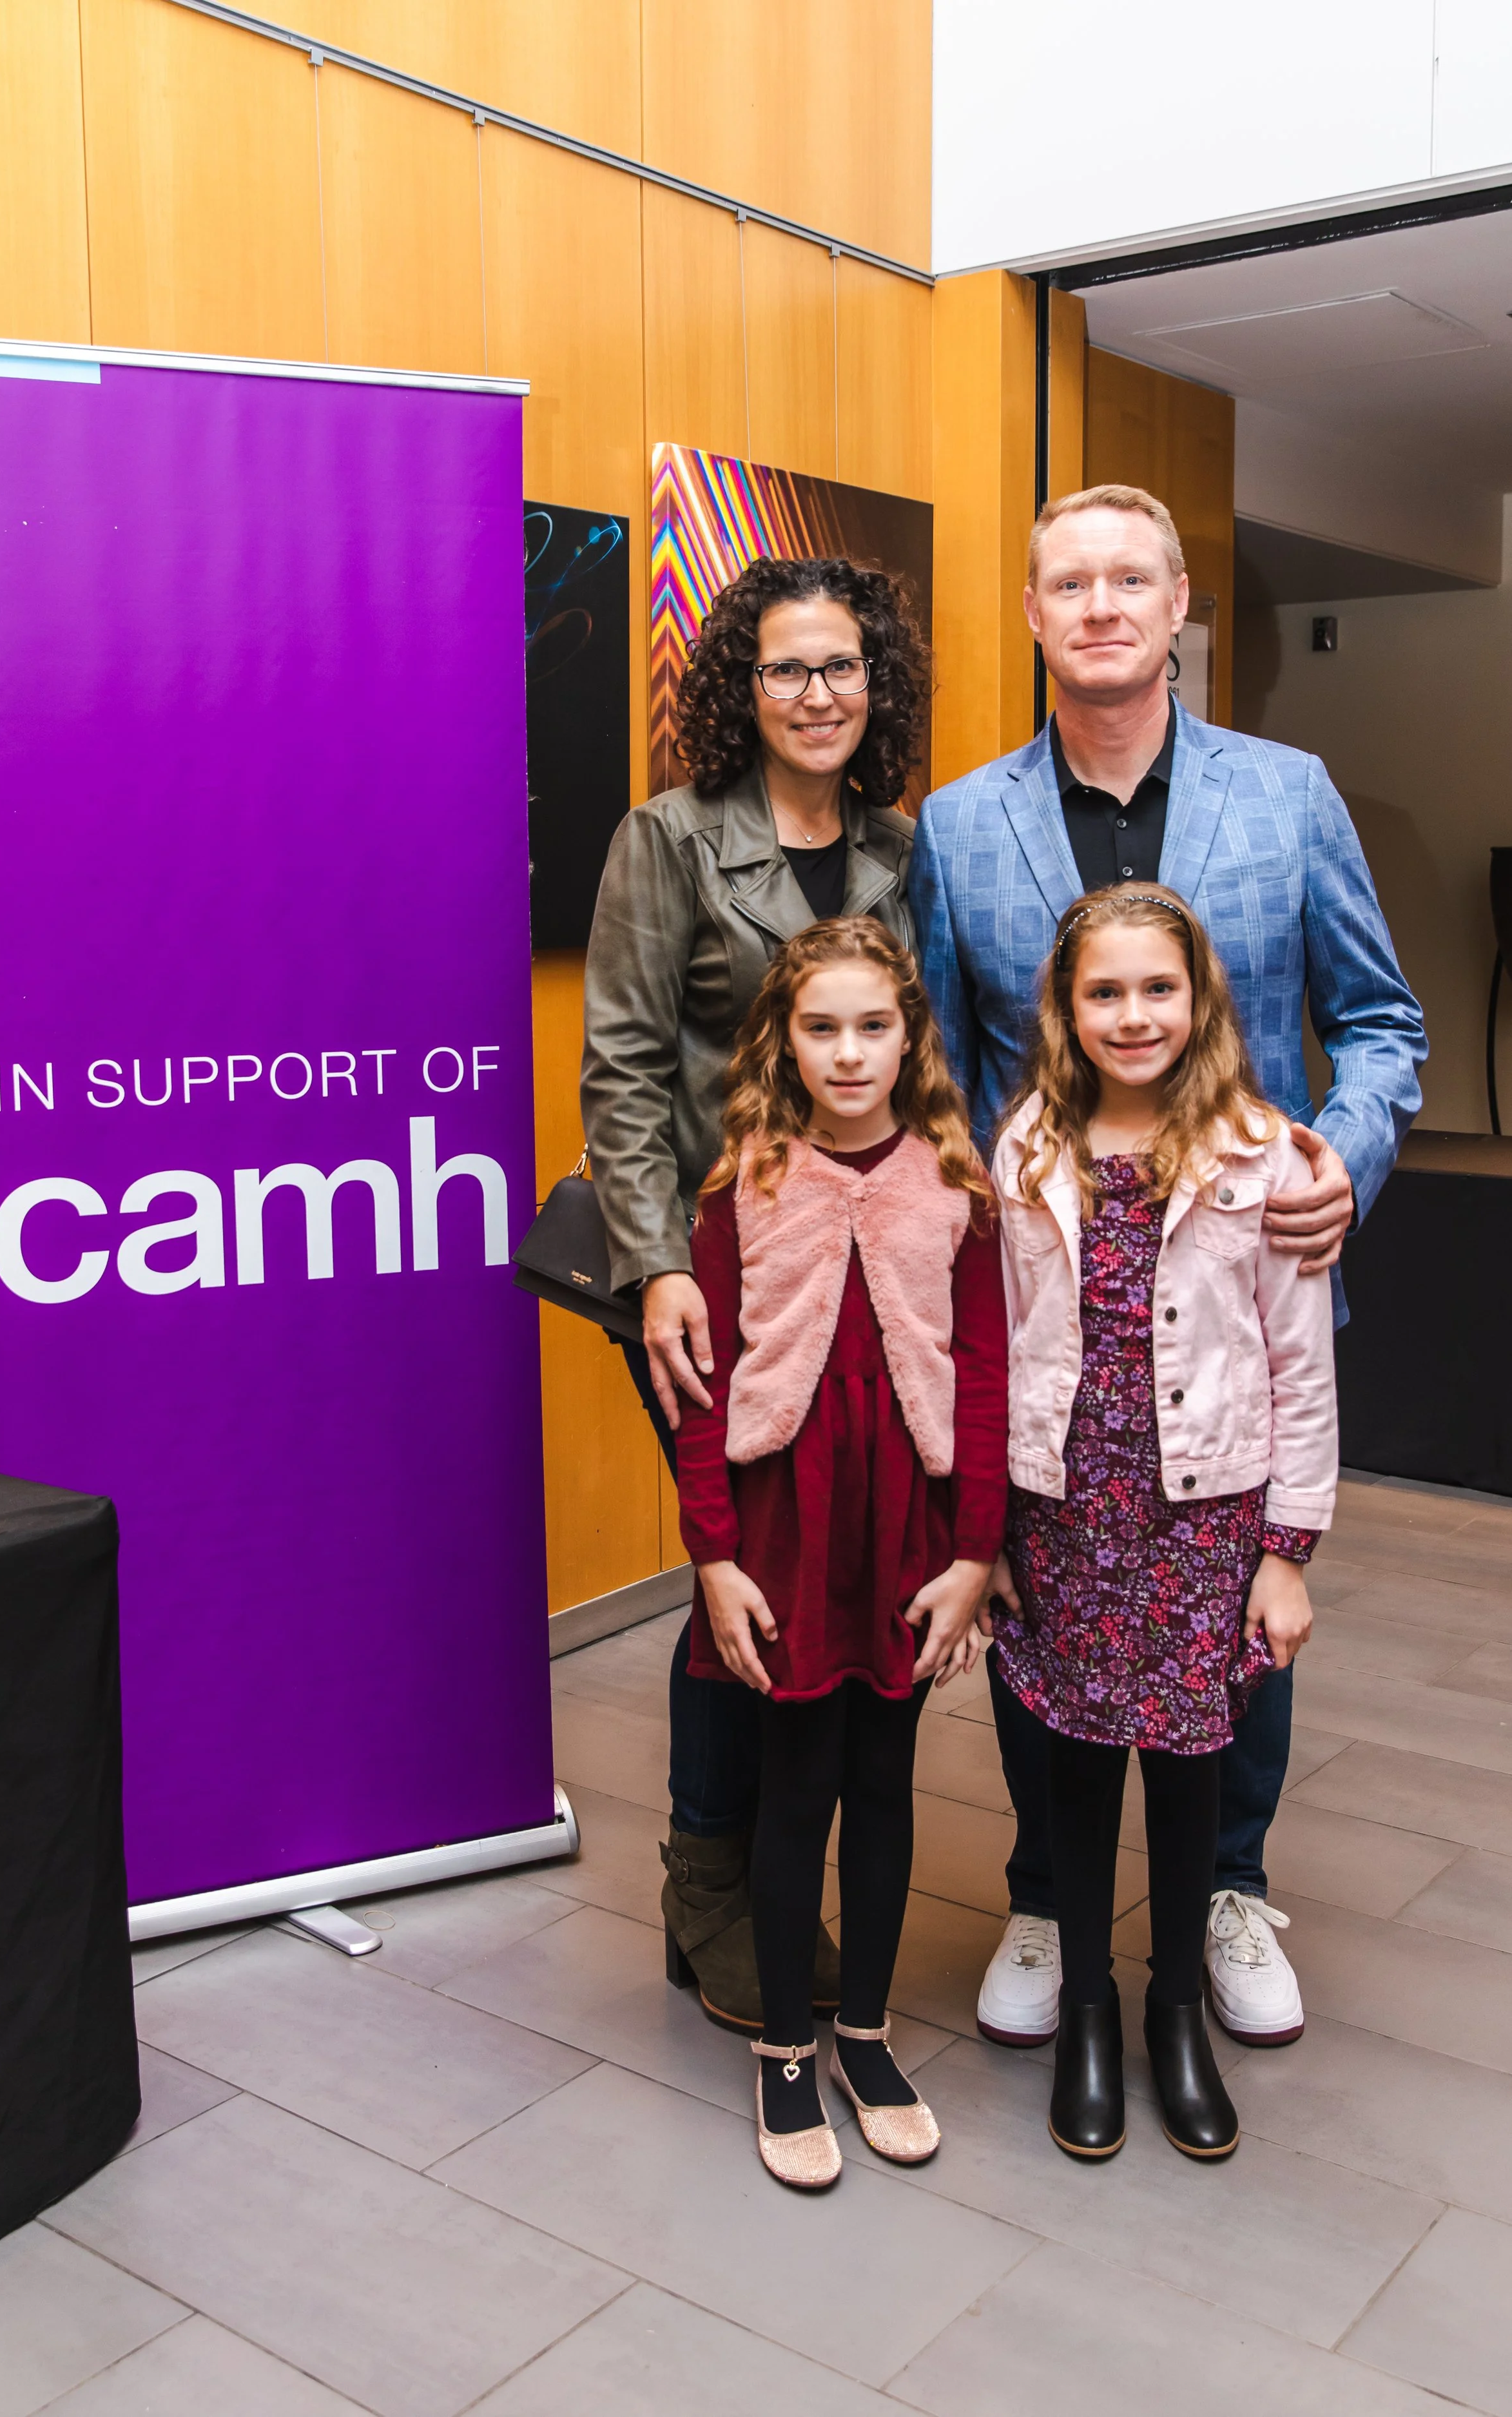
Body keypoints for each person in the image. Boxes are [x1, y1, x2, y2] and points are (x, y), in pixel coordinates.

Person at [910, 484, 1425, 2051]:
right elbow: (936, 1067)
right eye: (1068, 581)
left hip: (1237, 1282)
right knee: (1037, 1600)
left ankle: (1226, 1884)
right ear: (1032, 612)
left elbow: (1382, 1025)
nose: (1101, 605)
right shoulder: (956, 821)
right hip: (1048, 1300)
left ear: (1178, 601)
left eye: (1129, 577)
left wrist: (1340, 1153)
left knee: (1233, 1608)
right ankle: (1047, 1894)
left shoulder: (1289, 794)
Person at [582, 557, 931, 2034]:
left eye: (840, 667)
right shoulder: (665, 840)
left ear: (876, 684)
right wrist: (658, 1263)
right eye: (785, 669)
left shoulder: (899, 852)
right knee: (738, 1581)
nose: (815, 695)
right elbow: (624, 1069)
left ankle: (769, 1871)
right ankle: (706, 1886)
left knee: (822, 1575)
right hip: (706, 1285)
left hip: (855, 1282)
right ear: (740, 687)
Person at [988, 884, 1336, 2159]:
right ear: (1064, 1010)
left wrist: (1284, 1555)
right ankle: (1086, 2004)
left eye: (1156, 989)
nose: (1131, 1016)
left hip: (1206, 1518)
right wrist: (986, 1535)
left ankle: (1172, 2008)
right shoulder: (1023, 1146)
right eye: (1102, 993)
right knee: (1075, 1761)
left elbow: (1300, 1367)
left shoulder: (1262, 1150)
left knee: (1190, 1762)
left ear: (1197, 1001)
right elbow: (999, 1350)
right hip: (1066, 1515)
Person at [674, 917, 1007, 2185]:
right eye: (821, 1027)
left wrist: (975, 1550)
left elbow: (984, 1374)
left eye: (874, 1025)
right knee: (793, 1783)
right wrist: (712, 1556)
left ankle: (863, 2031)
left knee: (885, 1779)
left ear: (909, 1035)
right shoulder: (741, 1184)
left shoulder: (954, 1184)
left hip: (907, 1533)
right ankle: (781, 2048)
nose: (849, 1052)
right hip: (783, 1528)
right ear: (783, 1040)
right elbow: (698, 1394)